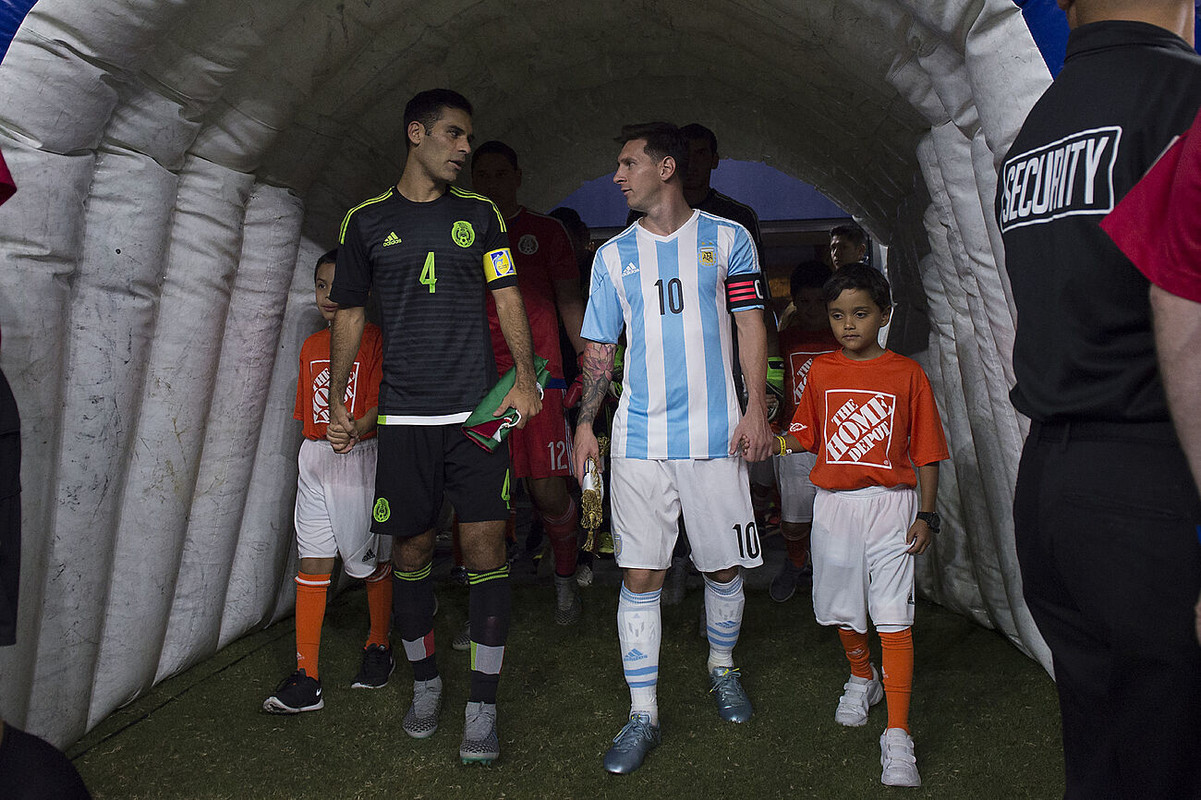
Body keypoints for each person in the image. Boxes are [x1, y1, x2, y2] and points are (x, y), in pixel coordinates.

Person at [996, 2, 1201, 796]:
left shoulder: (1038, 127)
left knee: (1107, 752)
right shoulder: (1181, 99)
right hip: (1158, 475)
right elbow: (1185, 321)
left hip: (1053, 485)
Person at [327, 89, 542, 766]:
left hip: (476, 415)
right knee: (412, 552)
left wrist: (527, 379)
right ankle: (425, 683)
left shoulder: (479, 215)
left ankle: (481, 706)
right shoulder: (363, 221)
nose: (464, 149)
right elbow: (350, 312)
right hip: (403, 416)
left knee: (483, 546)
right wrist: (339, 392)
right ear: (415, 133)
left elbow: (507, 294)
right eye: (453, 135)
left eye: (467, 138)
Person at [572, 122, 773, 775]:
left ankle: (721, 666)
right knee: (640, 575)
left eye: (627, 163)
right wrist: (584, 424)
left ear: (665, 168)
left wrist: (753, 410)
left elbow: (750, 325)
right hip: (638, 440)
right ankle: (643, 713)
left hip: (716, 440)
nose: (617, 176)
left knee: (722, 570)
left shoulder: (729, 238)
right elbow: (599, 348)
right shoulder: (611, 255)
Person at [780, 264, 947, 788]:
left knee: (893, 615)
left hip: (893, 507)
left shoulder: (907, 375)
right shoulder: (822, 372)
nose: (848, 325)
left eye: (860, 313)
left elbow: (927, 454)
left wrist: (925, 513)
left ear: (884, 315)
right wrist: (763, 439)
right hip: (834, 506)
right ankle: (861, 676)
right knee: (841, 603)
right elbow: (805, 435)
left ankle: (898, 735)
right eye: (837, 316)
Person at [262, 250, 392, 714]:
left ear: (363, 290)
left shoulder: (375, 339)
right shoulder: (311, 345)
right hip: (316, 459)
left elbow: (380, 404)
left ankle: (379, 646)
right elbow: (307, 415)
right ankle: (307, 677)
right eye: (321, 286)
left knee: (368, 560)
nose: (329, 296)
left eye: (339, 286)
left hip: (359, 457)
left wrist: (357, 427)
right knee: (312, 563)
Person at [471, 141, 587, 624]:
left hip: (540, 378)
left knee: (547, 491)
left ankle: (565, 580)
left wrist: (588, 364)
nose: (493, 183)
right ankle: (488, 612)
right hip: (482, 380)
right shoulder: (462, 231)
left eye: (502, 173)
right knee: (481, 499)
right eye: (484, 175)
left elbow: (568, 300)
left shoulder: (545, 231)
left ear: (518, 176)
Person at [768, 260, 837, 602]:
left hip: (839, 442)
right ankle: (796, 561)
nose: (812, 311)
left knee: (836, 519)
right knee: (795, 521)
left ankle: (827, 572)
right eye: (805, 303)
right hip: (794, 442)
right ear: (795, 301)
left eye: (820, 303)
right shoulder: (783, 341)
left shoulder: (845, 339)